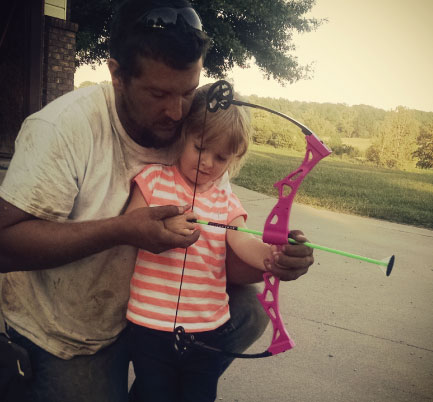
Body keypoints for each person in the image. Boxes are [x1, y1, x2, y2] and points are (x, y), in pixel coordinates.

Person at [0, 0, 314, 401]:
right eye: (158, 93)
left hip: (157, 316)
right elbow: (4, 244)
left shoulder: (194, 133)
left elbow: (224, 253)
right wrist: (122, 230)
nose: (177, 111)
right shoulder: (62, 129)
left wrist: (272, 261)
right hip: (71, 328)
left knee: (249, 312)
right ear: (117, 75)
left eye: (187, 91)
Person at [126, 84, 279, 401]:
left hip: (208, 328)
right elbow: (132, 224)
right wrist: (166, 225)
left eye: (221, 157)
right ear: (183, 136)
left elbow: (242, 241)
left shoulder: (225, 198)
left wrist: (271, 255)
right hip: (150, 324)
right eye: (200, 148)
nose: (208, 162)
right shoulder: (154, 179)